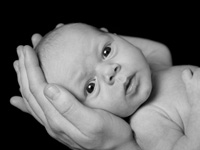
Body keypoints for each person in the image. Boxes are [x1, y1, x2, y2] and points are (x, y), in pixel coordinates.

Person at [11, 23, 200, 150]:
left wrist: (85, 36)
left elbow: (157, 50)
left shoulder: (157, 66)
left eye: (106, 51)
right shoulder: (147, 121)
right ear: (84, 112)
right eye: (90, 87)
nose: (109, 71)